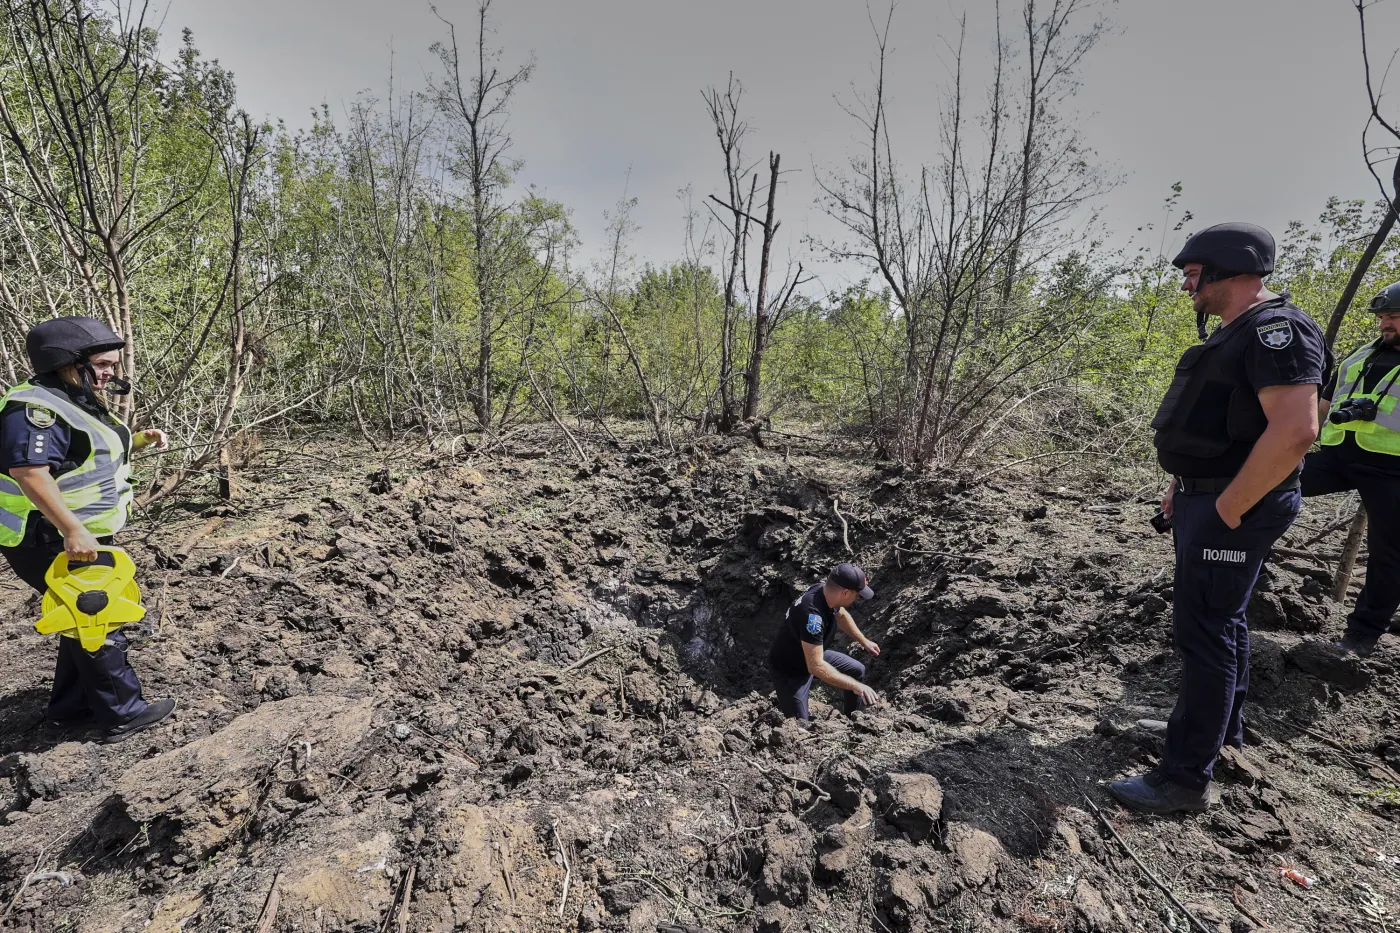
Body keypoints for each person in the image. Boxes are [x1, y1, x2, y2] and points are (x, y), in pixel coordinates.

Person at [1110, 223, 1327, 815]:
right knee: (1222, 621)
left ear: (1227, 270)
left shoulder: (1276, 331)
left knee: (1202, 630)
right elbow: (1223, 426)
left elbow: (1298, 429)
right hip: (1208, 499)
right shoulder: (1238, 334)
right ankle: (1218, 738)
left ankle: (1184, 779)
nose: (1186, 285)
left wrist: (1230, 507)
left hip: (1236, 508)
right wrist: (1183, 485)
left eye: (1192, 273)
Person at [0, 316, 176, 743]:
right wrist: (73, 529)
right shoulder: (35, 409)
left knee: (82, 617)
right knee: (96, 614)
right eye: (103, 363)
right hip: (50, 535)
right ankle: (122, 712)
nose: (111, 372)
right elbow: (30, 473)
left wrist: (137, 441)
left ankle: (70, 710)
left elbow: (80, 454)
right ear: (66, 361)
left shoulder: (71, 397)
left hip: (72, 534)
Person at [1302, 282, 1400, 656]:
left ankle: (1362, 636)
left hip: (1393, 470)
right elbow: (1323, 404)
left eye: (1392, 317)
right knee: (1267, 483)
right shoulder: (1360, 355)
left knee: (1389, 554)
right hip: (1337, 457)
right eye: (1382, 317)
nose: (1383, 324)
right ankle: (1251, 572)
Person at [768, 562, 881, 720]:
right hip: (790, 671)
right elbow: (816, 667)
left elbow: (840, 615)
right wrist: (856, 686)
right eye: (858, 594)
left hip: (812, 654)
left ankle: (853, 719)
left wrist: (864, 641)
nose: (858, 598)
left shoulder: (825, 592)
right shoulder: (812, 617)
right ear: (845, 592)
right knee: (800, 727)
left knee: (857, 670)